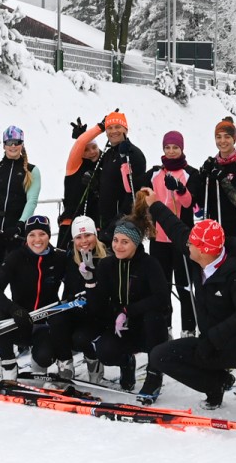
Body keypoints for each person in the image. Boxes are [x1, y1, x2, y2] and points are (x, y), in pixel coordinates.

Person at [142, 189, 236, 426]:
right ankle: (216, 384)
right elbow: (176, 229)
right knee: (161, 356)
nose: (186, 245)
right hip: (210, 342)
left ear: (205, 251)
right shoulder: (201, 254)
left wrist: (214, 338)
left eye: (192, 244)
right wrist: (155, 204)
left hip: (235, 344)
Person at [83, 196, 170, 396]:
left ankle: (154, 373)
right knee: (105, 351)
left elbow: (162, 299)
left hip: (147, 326)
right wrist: (90, 281)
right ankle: (126, 362)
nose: (118, 246)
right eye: (115, 240)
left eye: (125, 242)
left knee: (154, 317)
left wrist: (128, 310)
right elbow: (98, 305)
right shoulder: (106, 265)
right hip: (120, 327)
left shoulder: (149, 264)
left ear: (136, 242)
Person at [0, 216, 78, 380]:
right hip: (21, 322)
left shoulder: (59, 258)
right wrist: (14, 309)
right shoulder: (16, 257)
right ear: (26, 237)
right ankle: (8, 366)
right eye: (32, 235)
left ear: (49, 236)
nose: (37, 240)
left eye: (42, 234)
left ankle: (63, 362)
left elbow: (74, 287)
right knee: (0, 313)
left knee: (44, 357)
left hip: (44, 325)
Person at [0, 125, 42, 278]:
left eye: (17, 142)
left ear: (22, 144)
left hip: (16, 234)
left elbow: (32, 200)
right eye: (9, 142)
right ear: (3, 145)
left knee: (18, 281)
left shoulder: (31, 170)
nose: (13, 146)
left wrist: (20, 224)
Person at [147, 131, 198, 336]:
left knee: (185, 286)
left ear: (182, 149)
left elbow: (189, 203)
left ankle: (188, 329)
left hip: (182, 238)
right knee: (162, 286)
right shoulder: (155, 173)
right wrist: (126, 168)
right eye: (167, 148)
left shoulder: (190, 173)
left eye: (175, 148)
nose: (171, 151)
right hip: (158, 238)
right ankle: (164, 327)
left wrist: (179, 189)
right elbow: (132, 188)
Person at [192, 117, 236, 242]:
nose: (222, 141)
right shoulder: (210, 165)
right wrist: (201, 179)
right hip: (213, 230)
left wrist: (222, 179)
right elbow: (199, 206)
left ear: (234, 139)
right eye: (218, 137)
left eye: (227, 137)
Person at [64, 216, 109, 380]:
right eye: (78, 237)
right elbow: (68, 289)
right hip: (80, 312)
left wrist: (92, 277)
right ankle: (65, 365)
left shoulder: (107, 258)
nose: (84, 241)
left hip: (101, 316)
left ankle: (95, 360)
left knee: (82, 338)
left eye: (87, 235)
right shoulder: (70, 259)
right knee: (60, 326)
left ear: (96, 235)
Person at [95, 110, 148, 227]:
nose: (113, 131)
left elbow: (134, 192)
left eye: (118, 127)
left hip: (122, 224)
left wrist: (119, 220)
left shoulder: (134, 154)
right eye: (109, 128)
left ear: (126, 129)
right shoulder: (109, 153)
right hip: (104, 221)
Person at [58, 118, 104, 249]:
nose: (91, 152)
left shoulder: (102, 166)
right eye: (86, 150)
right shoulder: (74, 165)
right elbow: (80, 143)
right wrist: (100, 127)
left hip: (94, 226)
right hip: (71, 223)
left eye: (94, 147)